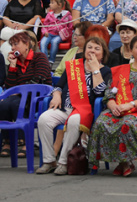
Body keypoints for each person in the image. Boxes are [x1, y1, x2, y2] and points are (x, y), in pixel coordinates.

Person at [88, 35, 137, 176]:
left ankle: (126, 161)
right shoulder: (120, 69)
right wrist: (111, 104)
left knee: (127, 123)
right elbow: (109, 91)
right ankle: (123, 162)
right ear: (131, 51)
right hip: (118, 107)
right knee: (101, 122)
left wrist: (129, 105)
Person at [35, 35, 112, 175]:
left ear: (103, 53)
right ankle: (49, 160)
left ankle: (64, 162)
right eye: (89, 47)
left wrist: (95, 70)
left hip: (84, 110)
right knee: (44, 119)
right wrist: (57, 95)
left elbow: (101, 93)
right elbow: (58, 86)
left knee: (74, 121)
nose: (92, 51)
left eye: (97, 48)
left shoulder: (105, 70)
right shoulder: (74, 65)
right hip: (65, 107)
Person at [0, 31, 52, 158]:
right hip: (20, 98)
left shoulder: (39, 57)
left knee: (17, 104)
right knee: (4, 105)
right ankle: (8, 142)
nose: (13, 48)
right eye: (12, 45)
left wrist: (19, 91)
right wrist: (13, 66)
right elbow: (10, 87)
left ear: (27, 44)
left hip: (38, 98)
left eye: (16, 44)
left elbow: (39, 79)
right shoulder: (16, 62)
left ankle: (27, 142)